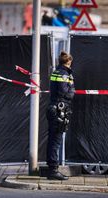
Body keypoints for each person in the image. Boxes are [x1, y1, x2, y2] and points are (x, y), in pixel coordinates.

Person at [46, 51, 75, 180]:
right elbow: (65, 93)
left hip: (53, 108)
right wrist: (71, 89)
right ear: (68, 62)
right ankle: (53, 171)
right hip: (59, 110)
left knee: (52, 140)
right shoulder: (64, 74)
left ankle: (51, 168)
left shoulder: (56, 72)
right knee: (56, 141)